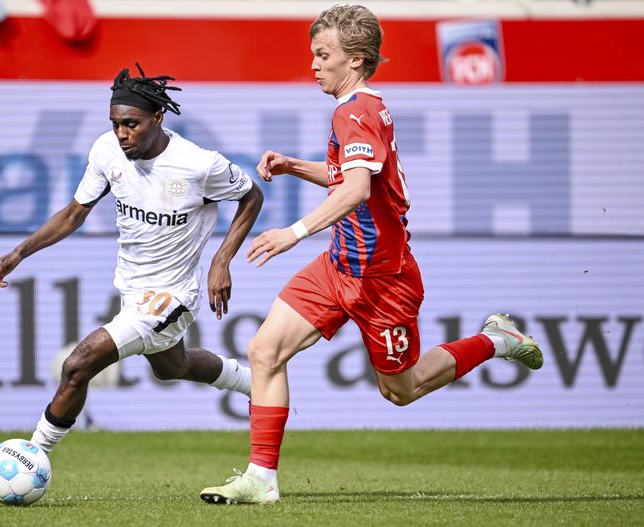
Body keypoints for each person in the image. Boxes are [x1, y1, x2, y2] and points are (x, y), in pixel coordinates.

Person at [199, 4, 543, 505]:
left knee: (400, 390)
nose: (314, 64)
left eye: (324, 55)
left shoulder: (354, 110)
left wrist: (293, 233)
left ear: (355, 60)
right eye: (313, 54)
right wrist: (295, 165)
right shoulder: (362, 108)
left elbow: (357, 189)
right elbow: (352, 176)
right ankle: (261, 479)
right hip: (338, 267)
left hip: (383, 280)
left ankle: (496, 340)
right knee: (264, 351)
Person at [0, 65, 263, 488]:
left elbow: (252, 195)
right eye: (115, 124)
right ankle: (256, 384)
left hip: (173, 296)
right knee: (172, 365)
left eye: (131, 124)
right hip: (133, 289)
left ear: (158, 119)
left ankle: (28, 458)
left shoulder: (198, 165)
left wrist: (222, 259)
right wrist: (19, 253)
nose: (122, 133)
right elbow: (75, 213)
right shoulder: (107, 152)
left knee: (78, 364)